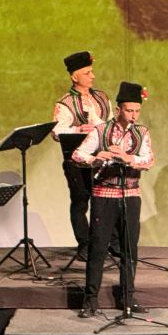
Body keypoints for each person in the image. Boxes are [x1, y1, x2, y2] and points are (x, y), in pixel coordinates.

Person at [71, 81, 154, 316]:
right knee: (98, 248)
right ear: (118, 109)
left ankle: (127, 298)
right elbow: (77, 154)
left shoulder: (142, 132)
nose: (134, 115)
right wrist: (98, 157)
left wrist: (128, 158)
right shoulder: (101, 130)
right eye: (129, 110)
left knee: (129, 250)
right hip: (104, 196)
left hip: (130, 196)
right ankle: (90, 300)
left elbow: (149, 160)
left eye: (137, 111)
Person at [51, 51, 111, 261]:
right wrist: (78, 129)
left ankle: (104, 243)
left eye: (92, 71)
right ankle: (84, 244)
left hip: (100, 158)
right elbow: (56, 131)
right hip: (76, 160)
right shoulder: (65, 103)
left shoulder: (101, 97)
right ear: (74, 76)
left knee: (103, 201)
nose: (92, 76)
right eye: (87, 73)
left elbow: (110, 122)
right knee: (80, 201)